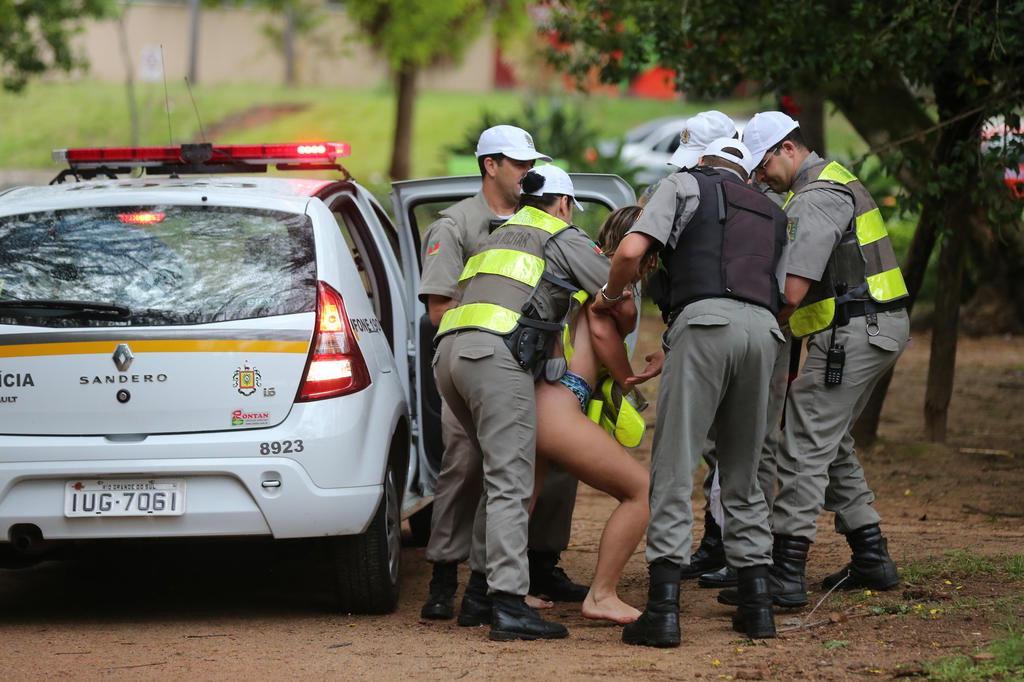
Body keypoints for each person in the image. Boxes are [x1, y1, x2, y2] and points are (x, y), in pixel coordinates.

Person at [596, 138, 789, 647]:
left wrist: (611, 296)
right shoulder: (772, 209)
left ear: (696, 159)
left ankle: (662, 612)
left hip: (703, 326)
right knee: (746, 470)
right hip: (765, 332)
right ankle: (757, 606)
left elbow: (633, 250)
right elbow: (786, 291)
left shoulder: (680, 185)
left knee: (674, 465)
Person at [718, 112, 910, 609]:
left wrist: (749, 321)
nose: (759, 177)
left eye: (762, 165)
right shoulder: (833, 182)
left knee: (802, 445)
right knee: (831, 441)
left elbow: (793, 289)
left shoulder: (817, 196)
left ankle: (785, 571)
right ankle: (871, 556)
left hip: (853, 332)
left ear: (786, 148)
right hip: (867, 328)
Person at [433, 165, 619, 641]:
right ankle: (510, 606)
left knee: (498, 475)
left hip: (450, 356)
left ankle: (478, 594)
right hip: (493, 358)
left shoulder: (498, 234)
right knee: (512, 481)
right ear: (562, 203)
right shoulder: (561, 233)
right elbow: (613, 289)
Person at [418, 126, 588, 622]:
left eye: (534, 165)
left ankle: (531, 566)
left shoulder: (535, 221)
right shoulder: (455, 225)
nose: (528, 172)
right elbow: (440, 309)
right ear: (490, 165)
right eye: (520, 163)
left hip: (534, 366)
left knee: (550, 462)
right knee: (468, 463)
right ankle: (446, 574)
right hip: (482, 364)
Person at [533, 205, 655, 624]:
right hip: (561, 399)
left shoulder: (580, 268)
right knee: (641, 491)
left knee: (520, 501)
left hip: (536, 396)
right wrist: (627, 378)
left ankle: (506, 592)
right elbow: (600, 328)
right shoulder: (608, 283)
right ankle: (601, 595)